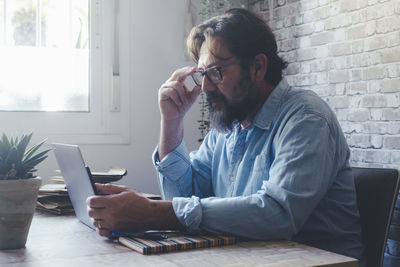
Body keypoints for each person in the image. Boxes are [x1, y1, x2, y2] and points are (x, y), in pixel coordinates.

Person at [87, 8, 364, 263]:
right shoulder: (230, 125)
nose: (206, 86)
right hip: (249, 258)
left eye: (216, 72)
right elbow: (183, 196)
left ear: (257, 66)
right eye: (203, 74)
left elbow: (278, 215)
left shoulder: (306, 119)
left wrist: (151, 212)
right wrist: (171, 122)